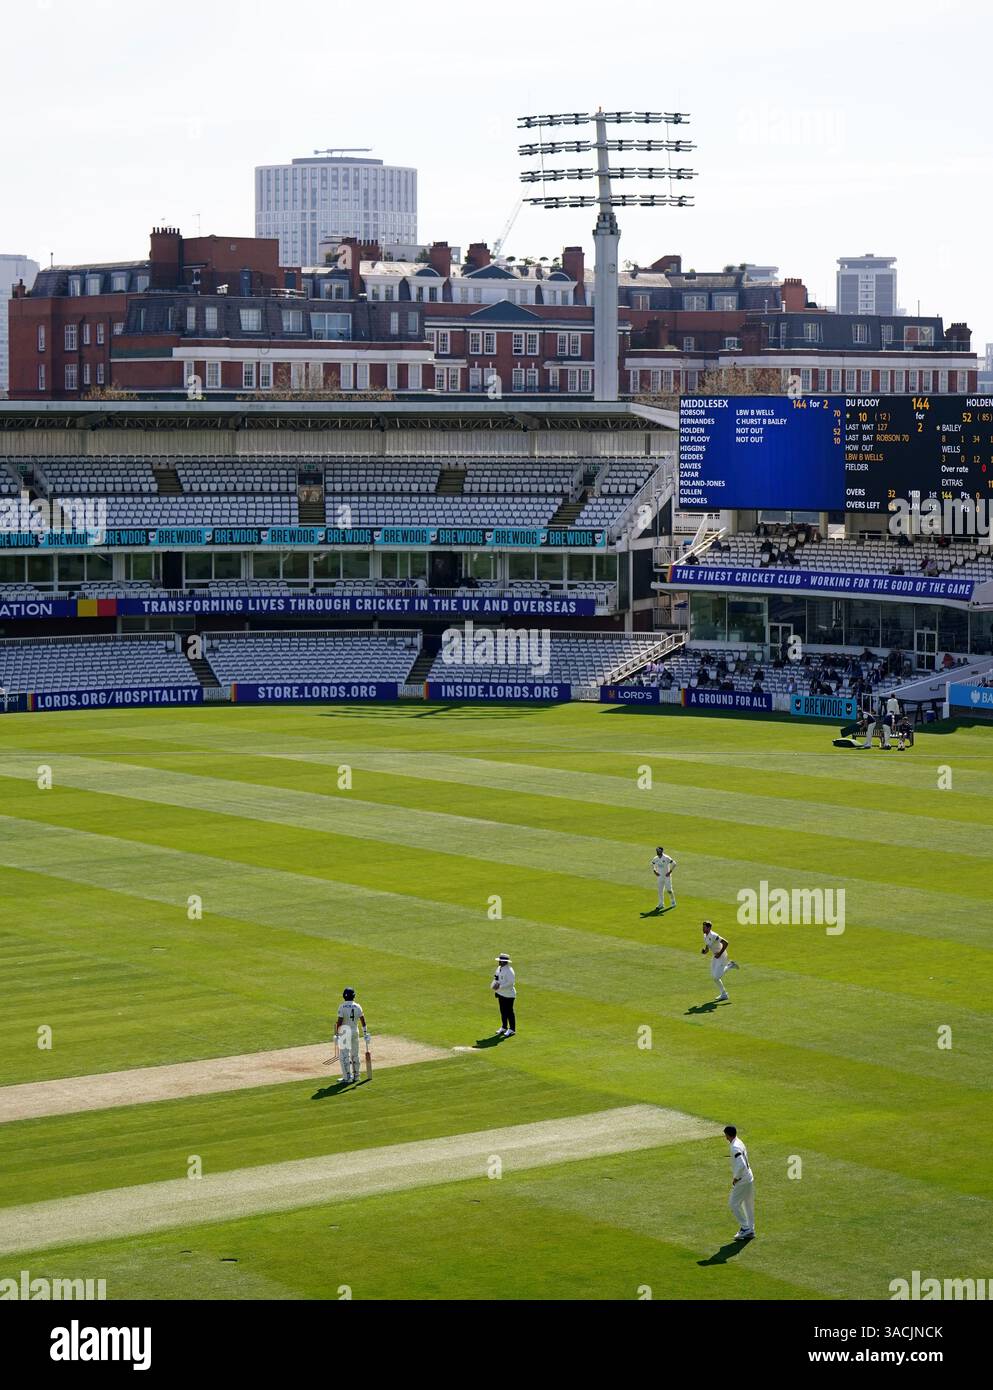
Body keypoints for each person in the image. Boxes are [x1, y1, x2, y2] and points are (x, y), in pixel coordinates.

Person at [724, 1125, 755, 1241]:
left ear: (728, 1135)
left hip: (742, 1180)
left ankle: (745, 1228)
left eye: (725, 1135)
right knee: (748, 1205)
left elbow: (741, 1164)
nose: (725, 1137)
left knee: (733, 1204)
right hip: (749, 1177)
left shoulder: (735, 1147)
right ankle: (750, 1230)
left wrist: (736, 1178)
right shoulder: (739, 1142)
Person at [334, 987, 370, 1085]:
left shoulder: (342, 1007)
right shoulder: (358, 1006)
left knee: (344, 1056)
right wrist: (365, 1033)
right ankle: (356, 1076)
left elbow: (340, 1022)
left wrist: (337, 1034)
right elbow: (363, 1020)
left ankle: (347, 1077)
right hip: (355, 1031)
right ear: (354, 996)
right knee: (355, 1054)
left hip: (345, 1032)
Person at [701, 921, 740, 1001]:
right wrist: (705, 951)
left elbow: (726, 943)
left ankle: (730, 965)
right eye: (703, 927)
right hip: (716, 956)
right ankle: (724, 994)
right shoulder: (705, 935)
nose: (703, 928)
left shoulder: (714, 935)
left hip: (721, 956)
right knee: (714, 977)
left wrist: (719, 953)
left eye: (704, 927)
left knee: (716, 976)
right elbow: (708, 947)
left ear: (709, 928)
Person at [645, 845, 677, 915]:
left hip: (667, 877)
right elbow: (652, 864)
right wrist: (654, 871)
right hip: (660, 877)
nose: (657, 852)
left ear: (662, 851)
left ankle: (673, 902)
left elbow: (674, 863)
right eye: (657, 851)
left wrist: (670, 872)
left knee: (669, 890)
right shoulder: (655, 858)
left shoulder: (666, 857)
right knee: (660, 891)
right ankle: (661, 904)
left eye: (658, 851)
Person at [491, 953, 516, 1036]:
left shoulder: (509, 971)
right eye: (500, 961)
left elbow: (511, 983)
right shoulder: (499, 968)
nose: (500, 962)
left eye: (502, 961)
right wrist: (493, 985)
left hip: (509, 995)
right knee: (502, 1011)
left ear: (506, 962)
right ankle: (504, 1027)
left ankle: (512, 1029)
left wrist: (500, 987)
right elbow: (496, 978)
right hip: (501, 993)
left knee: (509, 1011)